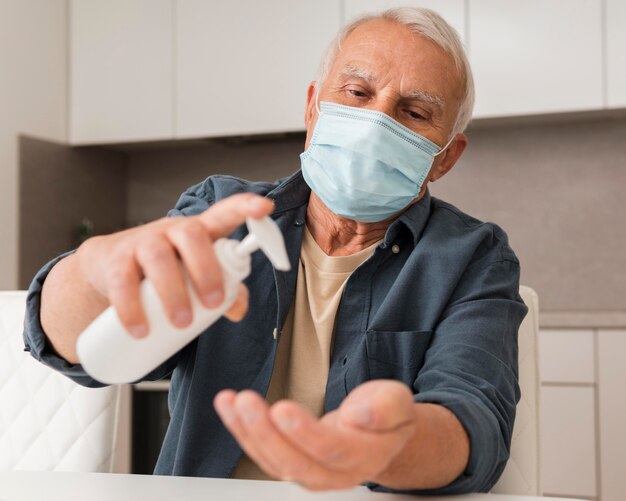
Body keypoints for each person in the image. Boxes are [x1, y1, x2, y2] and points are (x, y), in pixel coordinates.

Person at [23, 7, 527, 495]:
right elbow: (77, 355)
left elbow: (473, 424)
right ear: (313, 107)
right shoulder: (222, 212)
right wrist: (91, 270)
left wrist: (388, 446)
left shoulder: (473, 259)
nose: (376, 124)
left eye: (414, 113)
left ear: (446, 157)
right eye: (356, 92)